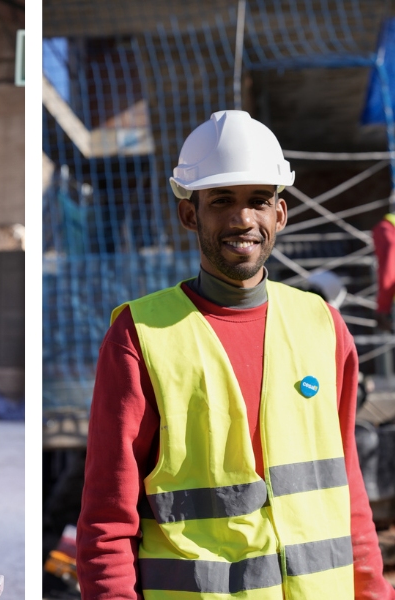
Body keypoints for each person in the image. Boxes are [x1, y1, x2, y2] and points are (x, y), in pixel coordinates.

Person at [77, 110, 390, 598]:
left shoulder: (323, 327)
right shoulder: (139, 337)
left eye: (258, 201)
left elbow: (348, 491)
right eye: (222, 200)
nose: (243, 219)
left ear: (279, 215)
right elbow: (106, 519)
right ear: (189, 214)